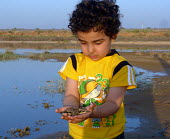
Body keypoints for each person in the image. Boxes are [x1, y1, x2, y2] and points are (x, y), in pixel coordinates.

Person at [55, 0, 137, 138]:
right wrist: (71, 109)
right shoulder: (74, 62)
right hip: (78, 134)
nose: (90, 50)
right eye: (83, 43)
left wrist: (91, 113)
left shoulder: (120, 67)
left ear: (113, 35)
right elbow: (71, 95)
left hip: (111, 135)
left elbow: (113, 103)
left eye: (98, 42)